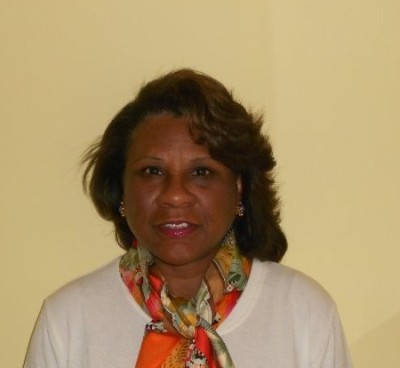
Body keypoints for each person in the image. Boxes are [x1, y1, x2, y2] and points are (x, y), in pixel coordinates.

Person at [24, 69, 353, 367]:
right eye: (152, 171)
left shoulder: (303, 314)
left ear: (238, 188)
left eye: (201, 172)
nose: (175, 195)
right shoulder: (69, 320)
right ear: (121, 190)